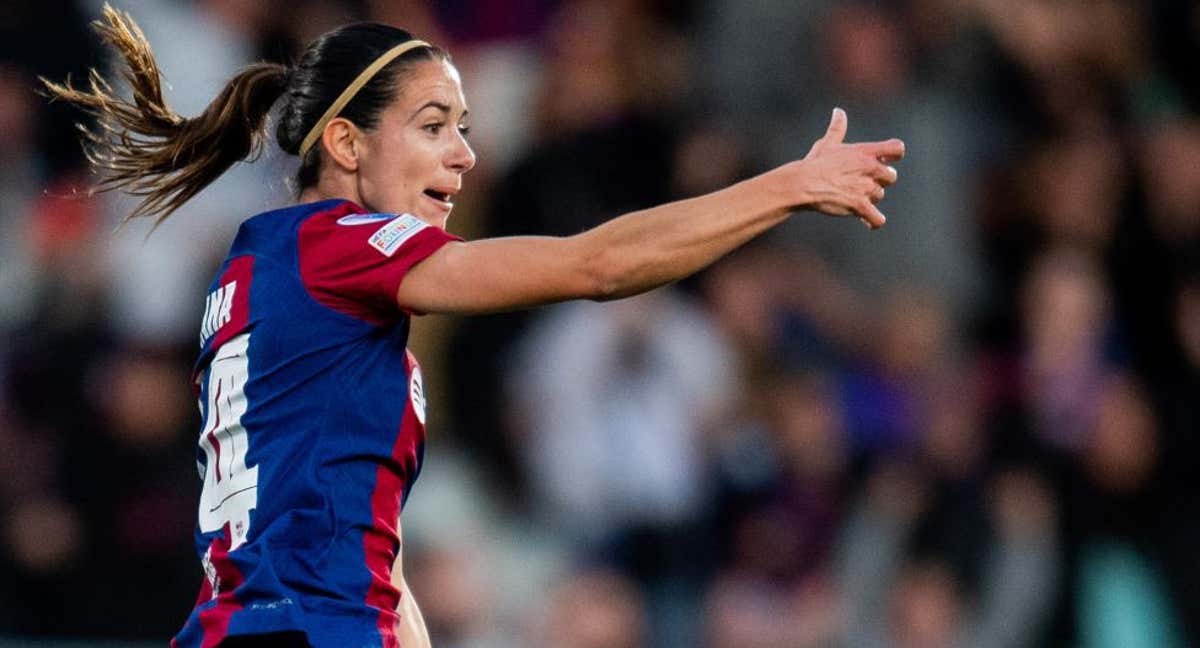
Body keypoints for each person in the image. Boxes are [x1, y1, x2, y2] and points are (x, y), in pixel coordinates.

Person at [41, 6, 904, 648]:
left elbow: (369, 559)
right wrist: (785, 188)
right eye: (432, 127)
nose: (464, 154)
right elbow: (593, 267)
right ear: (344, 142)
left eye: (465, 128)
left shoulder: (254, 274)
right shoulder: (336, 248)